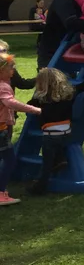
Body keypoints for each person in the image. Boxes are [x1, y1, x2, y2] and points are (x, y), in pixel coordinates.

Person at [27, 68, 84, 195]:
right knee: (59, 145)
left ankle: (39, 188)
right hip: (66, 133)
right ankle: (60, 159)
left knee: (47, 164)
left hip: (50, 136)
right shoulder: (69, 95)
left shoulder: (40, 100)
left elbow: (28, 108)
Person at [0, 52, 42, 205]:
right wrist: (35, 110)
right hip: (1, 130)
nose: (13, 70)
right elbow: (11, 103)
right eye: (11, 67)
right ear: (1, 70)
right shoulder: (3, 86)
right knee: (9, 160)